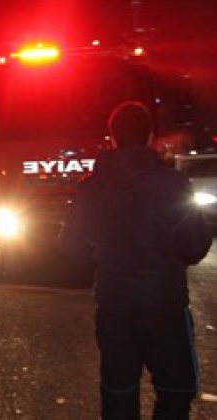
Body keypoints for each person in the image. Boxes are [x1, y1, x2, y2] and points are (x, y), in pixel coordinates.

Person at [58, 101, 212, 419]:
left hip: (113, 303)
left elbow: (72, 247)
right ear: (149, 136)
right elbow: (195, 245)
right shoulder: (172, 184)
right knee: (175, 388)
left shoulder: (91, 188)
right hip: (164, 304)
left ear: (111, 137)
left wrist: (104, 259)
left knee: (118, 389)